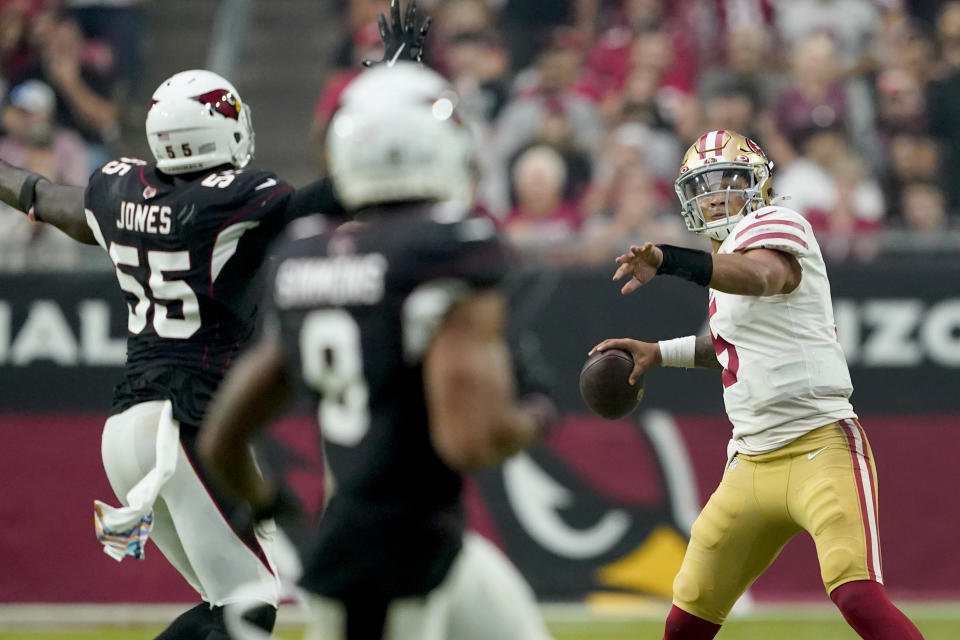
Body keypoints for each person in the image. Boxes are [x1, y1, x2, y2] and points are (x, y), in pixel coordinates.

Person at [0, 4, 429, 635]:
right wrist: (396, 91)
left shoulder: (120, 194)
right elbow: (347, 187)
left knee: (225, 601)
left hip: (127, 429)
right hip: (185, 423)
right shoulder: (239, 205)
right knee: (250, 598)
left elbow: (43, 197)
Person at [198, 61, 556, 640]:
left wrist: (265, 503)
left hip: (410, 543)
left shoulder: (307, 253)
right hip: (391, 569)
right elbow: (471, 439)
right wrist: (538, 409)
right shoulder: (447, 248)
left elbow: (223, 438)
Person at [589, 130, 925, 640]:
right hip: (751, 463)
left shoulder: (777, 225)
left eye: (724, 181)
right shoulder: (726, 266)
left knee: (856, 594)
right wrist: (660, 353)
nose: (714, 196)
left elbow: (762, 276)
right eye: (701, 187)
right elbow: (732, 349)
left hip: (820, 446)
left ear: (757, 184)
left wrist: (672, 261)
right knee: (686, 622)